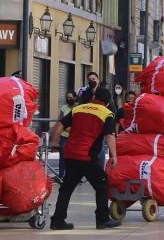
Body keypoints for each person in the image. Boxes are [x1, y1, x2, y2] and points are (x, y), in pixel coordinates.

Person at [49, 88, 121, 230]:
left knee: (66, 188)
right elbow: (109, 136)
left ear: (94, 96)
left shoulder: (78, 108)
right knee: (102, 183)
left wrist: (55, 143)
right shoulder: (107, 113)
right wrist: (113, 155)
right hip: (86, 156)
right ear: (107, 102)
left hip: (70, 154)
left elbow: (60, 124)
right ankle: (102, 219)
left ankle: (57, 220)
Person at [57, 90, 77, 181]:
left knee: (74, 157)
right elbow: (60, 121)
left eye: (70, 97)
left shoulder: (78, 108)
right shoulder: (63, 108)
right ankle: (61, 174)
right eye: (67, 97)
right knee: (63, 155)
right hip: (64, 135)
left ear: (75, 97)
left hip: (75, 136)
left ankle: (75, 176)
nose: (69, 99)